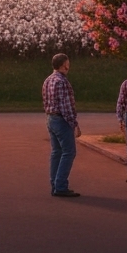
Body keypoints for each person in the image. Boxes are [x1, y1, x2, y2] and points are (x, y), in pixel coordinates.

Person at [42, 53, 80, 197]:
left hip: (51, 118)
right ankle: (61, 185)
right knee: (69, 152)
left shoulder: (48, 80)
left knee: (56, 152)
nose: (69, 66)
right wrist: (73, 123)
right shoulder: (62, 82)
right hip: (61, 120)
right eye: (67, 63)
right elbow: (66, 106)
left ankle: (55, 184)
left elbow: (45, 101)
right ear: (63, 64)